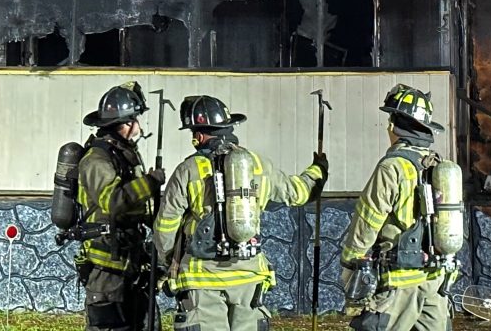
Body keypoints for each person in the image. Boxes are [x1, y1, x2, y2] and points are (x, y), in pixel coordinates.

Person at [153, 95, 328, 331]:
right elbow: (298, 193)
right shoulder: (257, 165)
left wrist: (168, 264)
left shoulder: (188, 170)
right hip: (250, 276)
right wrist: (318, 170)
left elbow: (166, 226)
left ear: (199, 136)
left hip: (202, 279)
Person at [341, 84, 460, 331]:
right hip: (434, 281)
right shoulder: (437, 167)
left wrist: (350, 267)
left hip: (399, 283)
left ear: (396, 126)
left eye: (390, 119)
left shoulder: (393, 168)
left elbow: (367, 221)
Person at [77, 81, 165, 331]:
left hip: (129, 262)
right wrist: (150, 182)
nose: (139, 126)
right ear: (123, 124)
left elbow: (136, 205)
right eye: (134, 120)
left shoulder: (124, 155)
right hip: (106, 269)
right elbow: (113, 201)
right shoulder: (96, 159)